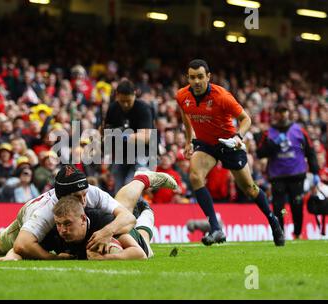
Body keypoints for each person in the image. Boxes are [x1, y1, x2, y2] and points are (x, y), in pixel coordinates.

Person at [0, 165, 177, 259]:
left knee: (118, 208)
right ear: (62, 198)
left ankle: (143, 178)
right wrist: (52, 258)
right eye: (78, 197)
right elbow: (22, 245)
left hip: (89, 228)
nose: (85, 199)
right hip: (27, 216)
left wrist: (106, 232)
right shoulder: (45, 212)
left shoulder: (87, 191)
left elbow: (126, 217)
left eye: (85, 194)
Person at [176, 59, 285, 246]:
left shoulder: (222, 96)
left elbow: (246, 119)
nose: (196, 81)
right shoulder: (182, 95)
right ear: (188, 78)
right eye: (192, 77)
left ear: (208, 77)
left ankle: (274, 222)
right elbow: (185, 115)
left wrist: (238, 137)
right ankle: (216, 228)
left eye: (200, 77)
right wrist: (188, 140)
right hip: (205, 144)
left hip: (228, 143)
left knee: (250, 189)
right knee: (195, 176)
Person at [0, 196, 155, 261]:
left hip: (135, 239)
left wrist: (106, 259)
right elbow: (20, 248)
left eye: (68, 224)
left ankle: (146, 210)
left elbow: (139, 254)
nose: (62, 230)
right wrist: (10, 257)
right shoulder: (54, 233)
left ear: (83, 219)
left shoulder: (103, 223)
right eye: (59, 224)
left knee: (145, 241)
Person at [257, 104, 319, 239]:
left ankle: (297, 233)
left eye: (284, 111)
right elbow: (260, 153)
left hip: (296, 175)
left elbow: (310, 151)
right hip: (278, 176)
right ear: (275, 114)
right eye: (279, 112)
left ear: (288, 113)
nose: (282, 114)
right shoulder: (269, 133)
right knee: (280, 208)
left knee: (296, 205)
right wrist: (274, 144)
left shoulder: (299, 131)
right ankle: (281, 233)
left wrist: (315, 173)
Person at [103, 79, 155, 193]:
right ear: (117, 96)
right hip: (122, 154)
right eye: (122, 101)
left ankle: (141, 210)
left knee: (131, 187)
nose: (125, 104)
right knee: (119, 190)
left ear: (135, 94)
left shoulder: (143, 108)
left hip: (143, 153)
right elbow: (105, 132)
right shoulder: (112, 108)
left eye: (128, 101)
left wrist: (122, 134)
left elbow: (146, 137)